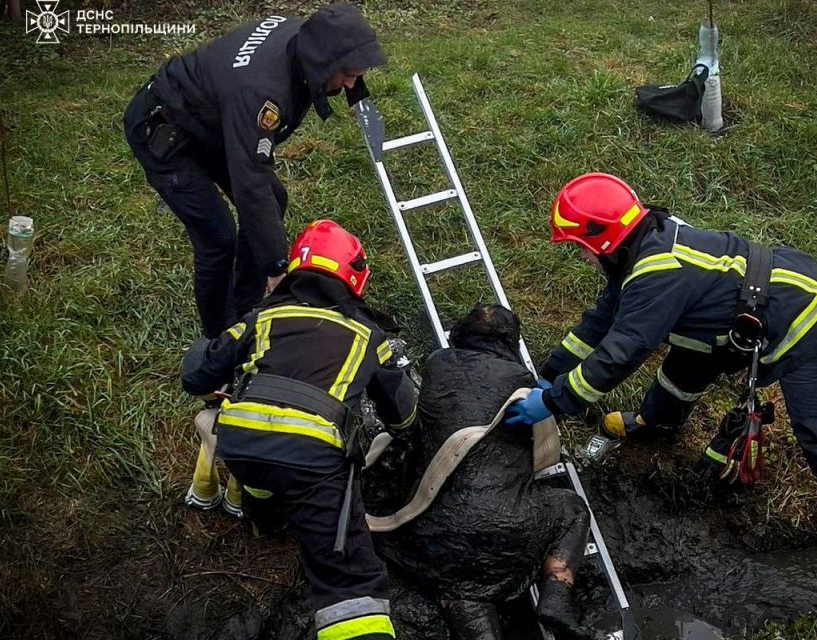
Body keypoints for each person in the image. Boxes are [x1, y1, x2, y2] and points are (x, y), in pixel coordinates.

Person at [505, 172, 817, 611]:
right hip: (738, 314)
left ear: (604, 242)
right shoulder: (644, 245)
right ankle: (655, 424)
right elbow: (599, 324)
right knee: (684, 363)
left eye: (580, 248)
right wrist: (547, 375)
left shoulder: (657, 274)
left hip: (805, 317)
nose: (580, 257)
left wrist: (552, 401)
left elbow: (620, 353)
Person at [181, 220, 417, 640]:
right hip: (312, 458)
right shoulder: (367, 334)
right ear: (355, 275)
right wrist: (408, 428)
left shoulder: (264, 315)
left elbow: (199, 371)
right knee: (350, 581)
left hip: (240, 443)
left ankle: (265, 518)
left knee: (263, 474)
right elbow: (399, 410)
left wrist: (208, 374)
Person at [124, 3, 386, 339]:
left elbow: (257, 184)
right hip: (165, 133)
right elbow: (251, 181)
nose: (352, 83)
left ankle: (245, 306)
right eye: (347, 73)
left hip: (213, 122)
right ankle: (219, 340)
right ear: (323, 62)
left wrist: (364, 106)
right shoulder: (261, 93)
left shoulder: (305, 42)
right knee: (218, 239)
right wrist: (278, 267)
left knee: (273, 202)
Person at [368, 304, 593, 640]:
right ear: (511, 345)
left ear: (459, 334)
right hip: (507, 528)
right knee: (571, 509)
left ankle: (470, 606)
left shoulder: (436, 364)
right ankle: (557, 596)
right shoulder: (522, 382)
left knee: (460, 585)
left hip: (430, 529)